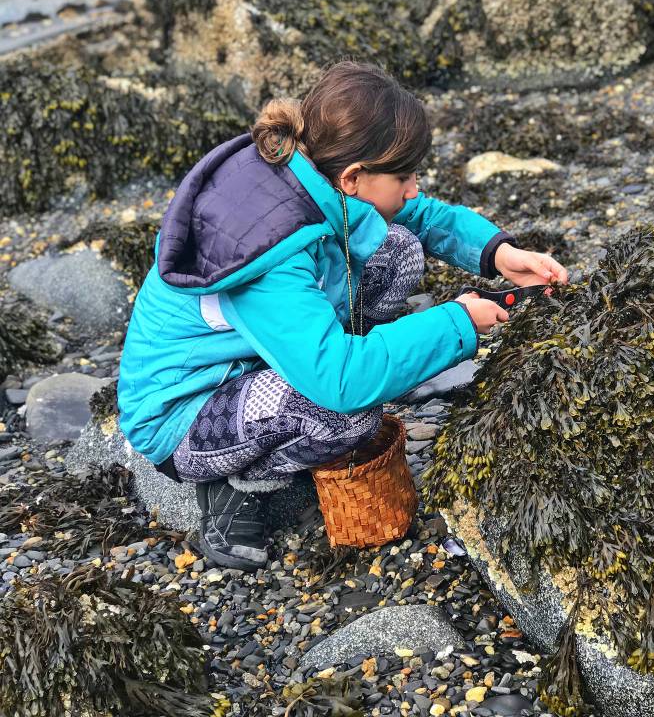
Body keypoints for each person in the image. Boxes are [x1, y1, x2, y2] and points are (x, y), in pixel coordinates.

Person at [117, 61, 568, 571]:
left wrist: (497, 254)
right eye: (405, 175)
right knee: (343, 411)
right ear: (353, 178)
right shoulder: (271, 253)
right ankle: (235, 487)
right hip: (182, 413)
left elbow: (416, 215)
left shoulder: (310, 173)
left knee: (395, 248)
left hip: (252, 358)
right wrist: (457, 323)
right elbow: (340, 383)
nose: (415, 187)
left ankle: (342, 366)